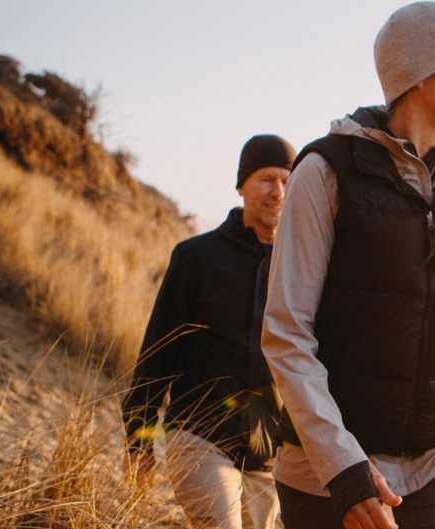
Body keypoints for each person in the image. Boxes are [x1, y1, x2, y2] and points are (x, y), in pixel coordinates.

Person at [260, 2, 435, 528]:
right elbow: (286, 332)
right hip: (329, 471)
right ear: (418, 70)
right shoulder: (326, 171)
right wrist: (343, 468)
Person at [125, 134, 296, 529]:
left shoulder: (302, 268)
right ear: (241, 185)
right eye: (267, 179)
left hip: (269, 456)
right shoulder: (196, 257)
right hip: (199, 437)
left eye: (288, 181)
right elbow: (157, 353)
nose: (278, 192)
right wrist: (139, 439)